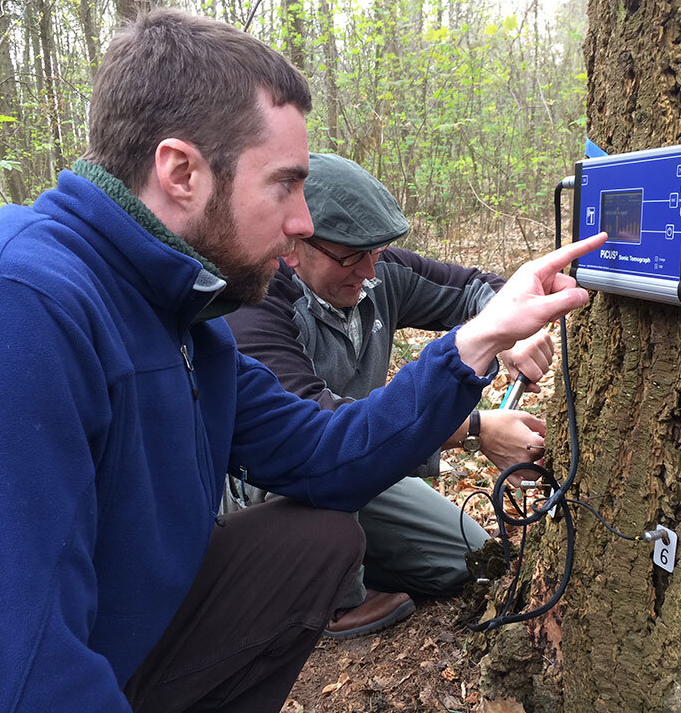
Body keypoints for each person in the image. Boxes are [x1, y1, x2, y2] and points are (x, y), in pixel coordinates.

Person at [0, 7, 606, 713]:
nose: (304, 222)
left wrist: (477, 341)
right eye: (284, 184)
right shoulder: (4, 306)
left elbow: (326, 453)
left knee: (315, 541)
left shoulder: (185, 319)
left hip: (128, 635)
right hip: (44, 671)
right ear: (181, 172)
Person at [226, 152, 554, 638]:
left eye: (376, 250)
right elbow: (314, 430)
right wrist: (476, 429)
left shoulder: (377, 273)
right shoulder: (256, 304)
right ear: (295, 244)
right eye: (349, 255)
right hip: (278, 478)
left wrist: (510, 331)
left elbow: (476, 288)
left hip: (362, 458)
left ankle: (352, 552)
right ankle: (321, 599)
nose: (367, 269)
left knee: (468, 557)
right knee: (324, 483)